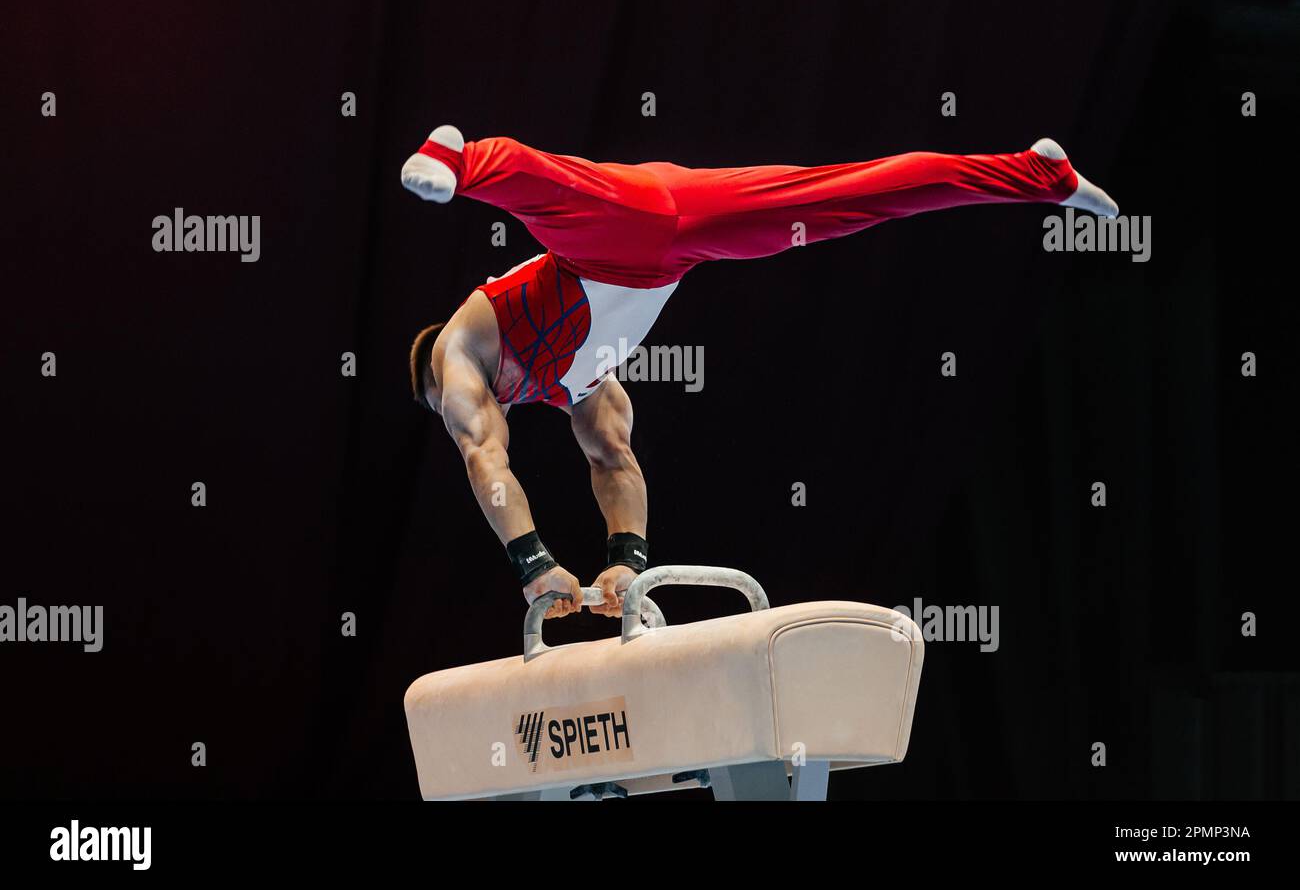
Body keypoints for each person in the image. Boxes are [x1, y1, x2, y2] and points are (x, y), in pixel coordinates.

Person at [401, 126, 1117, 620]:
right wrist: (626, 560)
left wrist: (531, 566)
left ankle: (456, 159)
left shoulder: (461, 346)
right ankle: (1037, 174)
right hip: (681, 232)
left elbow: (482, 456)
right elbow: (613, 459)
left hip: (604, 232)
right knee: (845, 198)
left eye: (443, 402)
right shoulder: (580, 387)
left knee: (545, 187)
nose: (464, 407)